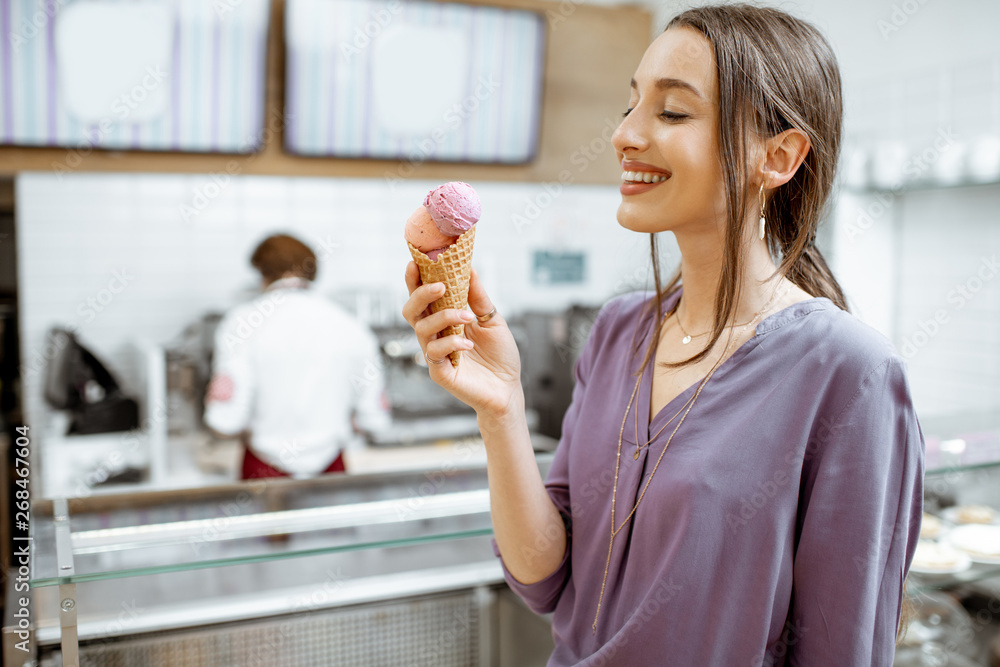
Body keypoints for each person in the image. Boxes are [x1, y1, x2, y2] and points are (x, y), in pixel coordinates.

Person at [402, 4, 924, 665]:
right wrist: (500, 407)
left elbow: (841, 648)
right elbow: (545, 580)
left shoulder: (851, 373)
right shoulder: (618, 332)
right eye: (630, 105)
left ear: (780, 155)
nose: (624, 134)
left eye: (672, 112)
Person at [205, 233, 390, 480]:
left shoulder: (241, 323)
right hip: (331, 470)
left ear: (263, 273)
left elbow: (226, 420)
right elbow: (374, 419)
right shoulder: (350, 324)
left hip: (265, 470)